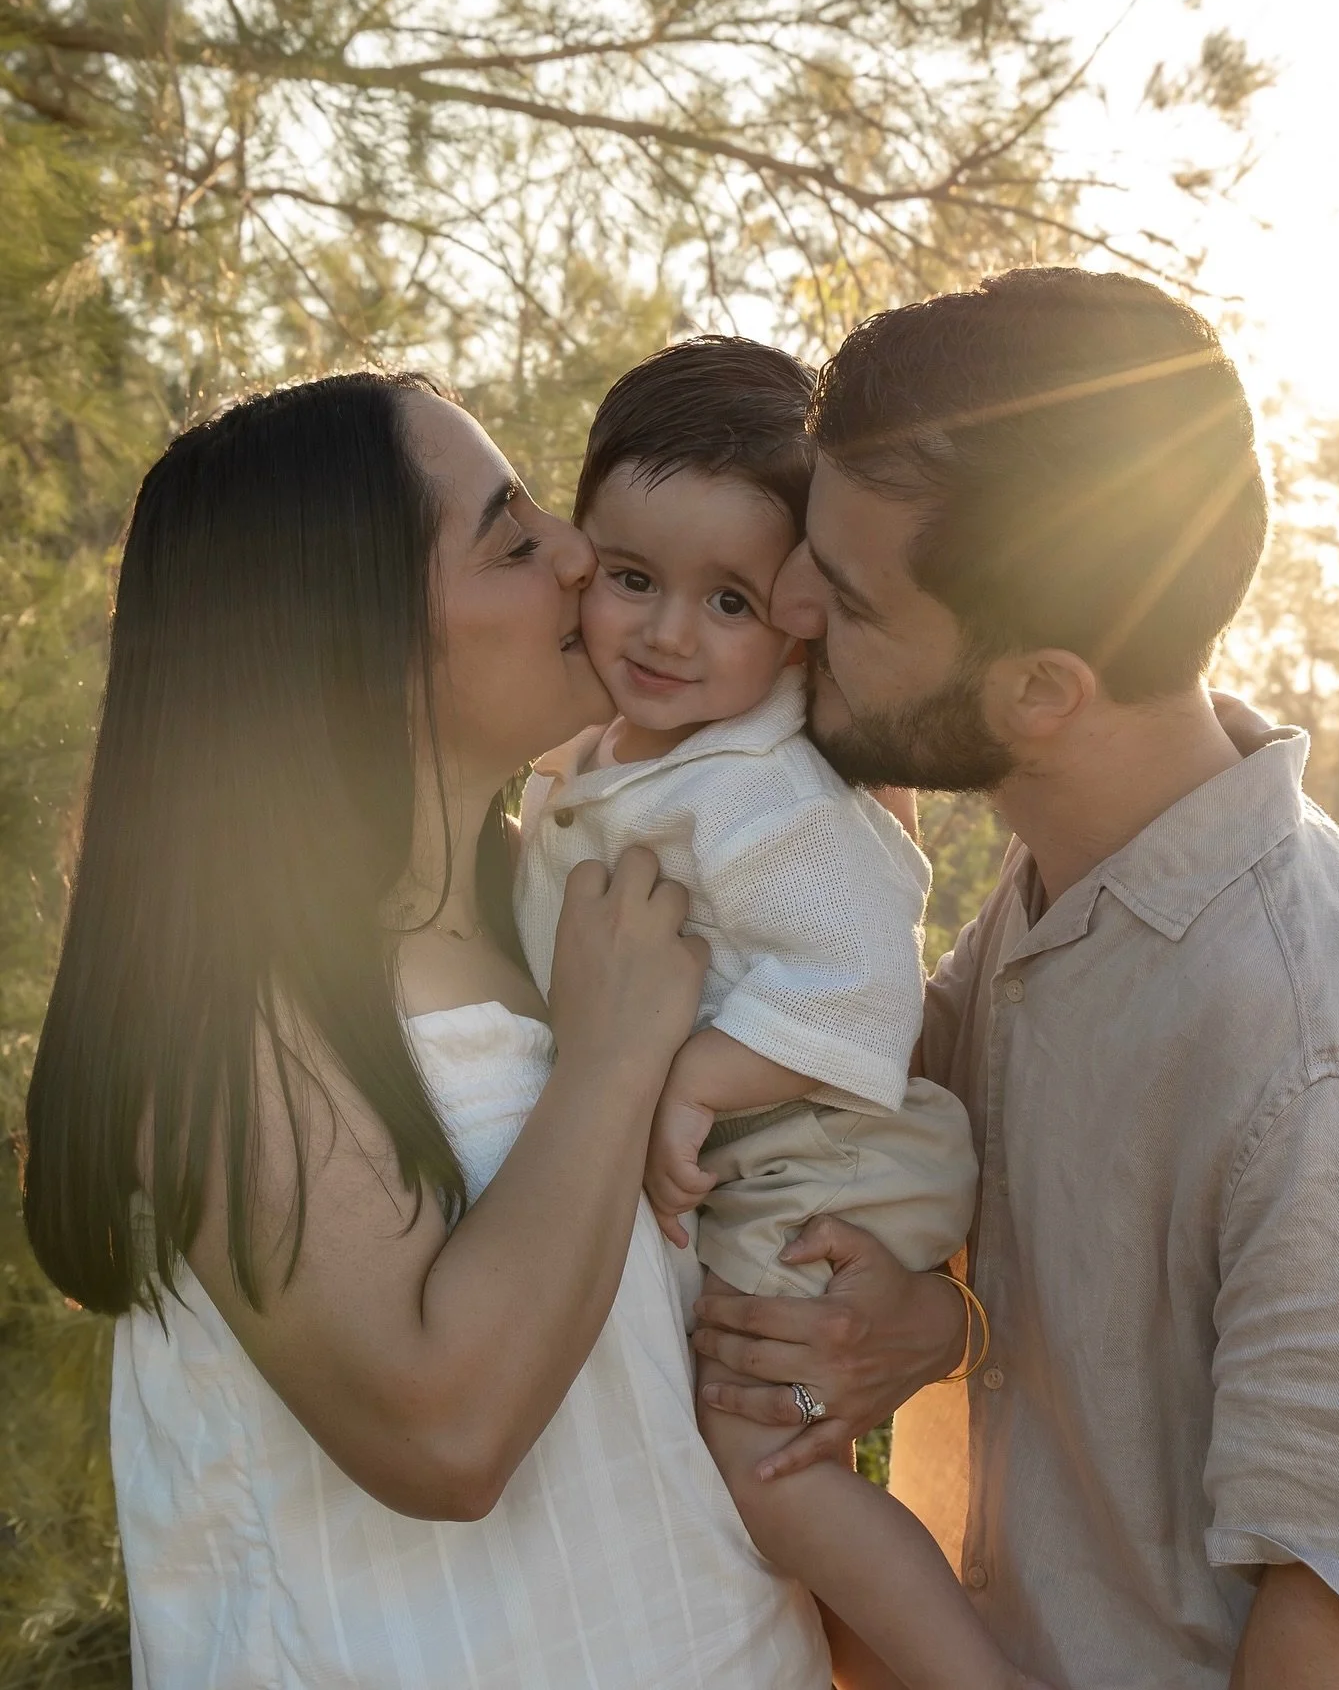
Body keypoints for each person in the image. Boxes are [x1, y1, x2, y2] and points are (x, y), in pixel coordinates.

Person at [22, 372, 832, 1687]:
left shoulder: (588, 900)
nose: (579, 556)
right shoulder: (230, 1008)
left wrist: (929, 1321)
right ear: (354, 633)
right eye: (514, 540)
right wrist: (614, 1060)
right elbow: (444, 1434)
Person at [694, 269, 1339, 1687]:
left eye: (846, 596)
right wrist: (949, 1321)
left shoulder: (1318, 1044)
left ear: (1042, 689)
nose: (787, 607)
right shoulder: (1063, 901)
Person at [513, 336, 1039, 1690]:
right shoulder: (613, 755)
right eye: (632, 581)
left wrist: (688, 1077)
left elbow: (861, 983)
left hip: (825, 1147)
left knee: (764, 1458)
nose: (669, 634)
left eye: (730, 601)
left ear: (798, 612)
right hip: (769, 1153)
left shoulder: (761, 790)